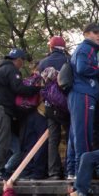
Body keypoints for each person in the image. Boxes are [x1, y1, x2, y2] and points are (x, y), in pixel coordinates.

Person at [0, 48, 39, 181]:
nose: (22, 64)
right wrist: (36, 89)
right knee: (2, 142)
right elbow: (18, 88)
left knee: (1, 142)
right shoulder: (11, 69)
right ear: (18, 59)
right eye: (22, 61)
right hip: (1, 110)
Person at [68, 23, 99, 180]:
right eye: (95, 32)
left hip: (80, 93)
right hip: (82, 93)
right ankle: (81, 173)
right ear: (85, 34)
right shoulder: (86, 48)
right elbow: (82, 68)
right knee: (83, 134)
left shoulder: (89, 49)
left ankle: (72, 171)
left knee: (75, 135)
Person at [37, 35, 70, 179]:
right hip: (67, 104)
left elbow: (40, 84)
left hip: (50, 105)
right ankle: (69, 170)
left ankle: (54, 172)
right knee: (70, 137)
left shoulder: (43, 63)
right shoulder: (68, 60)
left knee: (53, 138)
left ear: (51, 47)